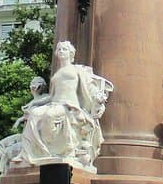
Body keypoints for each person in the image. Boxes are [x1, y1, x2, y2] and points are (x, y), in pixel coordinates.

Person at [16, 41, 113, 170]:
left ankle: (54, 149)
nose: (61, 51)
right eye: (59, 49)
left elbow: (89, 86)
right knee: (34, 114)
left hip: (69, 105)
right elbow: (51, 96)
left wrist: (98, 98)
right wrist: (34, 102)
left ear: (71, 53)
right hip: (55, 103)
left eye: (65, 49)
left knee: (50, 115)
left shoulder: (77, 69)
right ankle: (31, 153)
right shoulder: (57, 73)